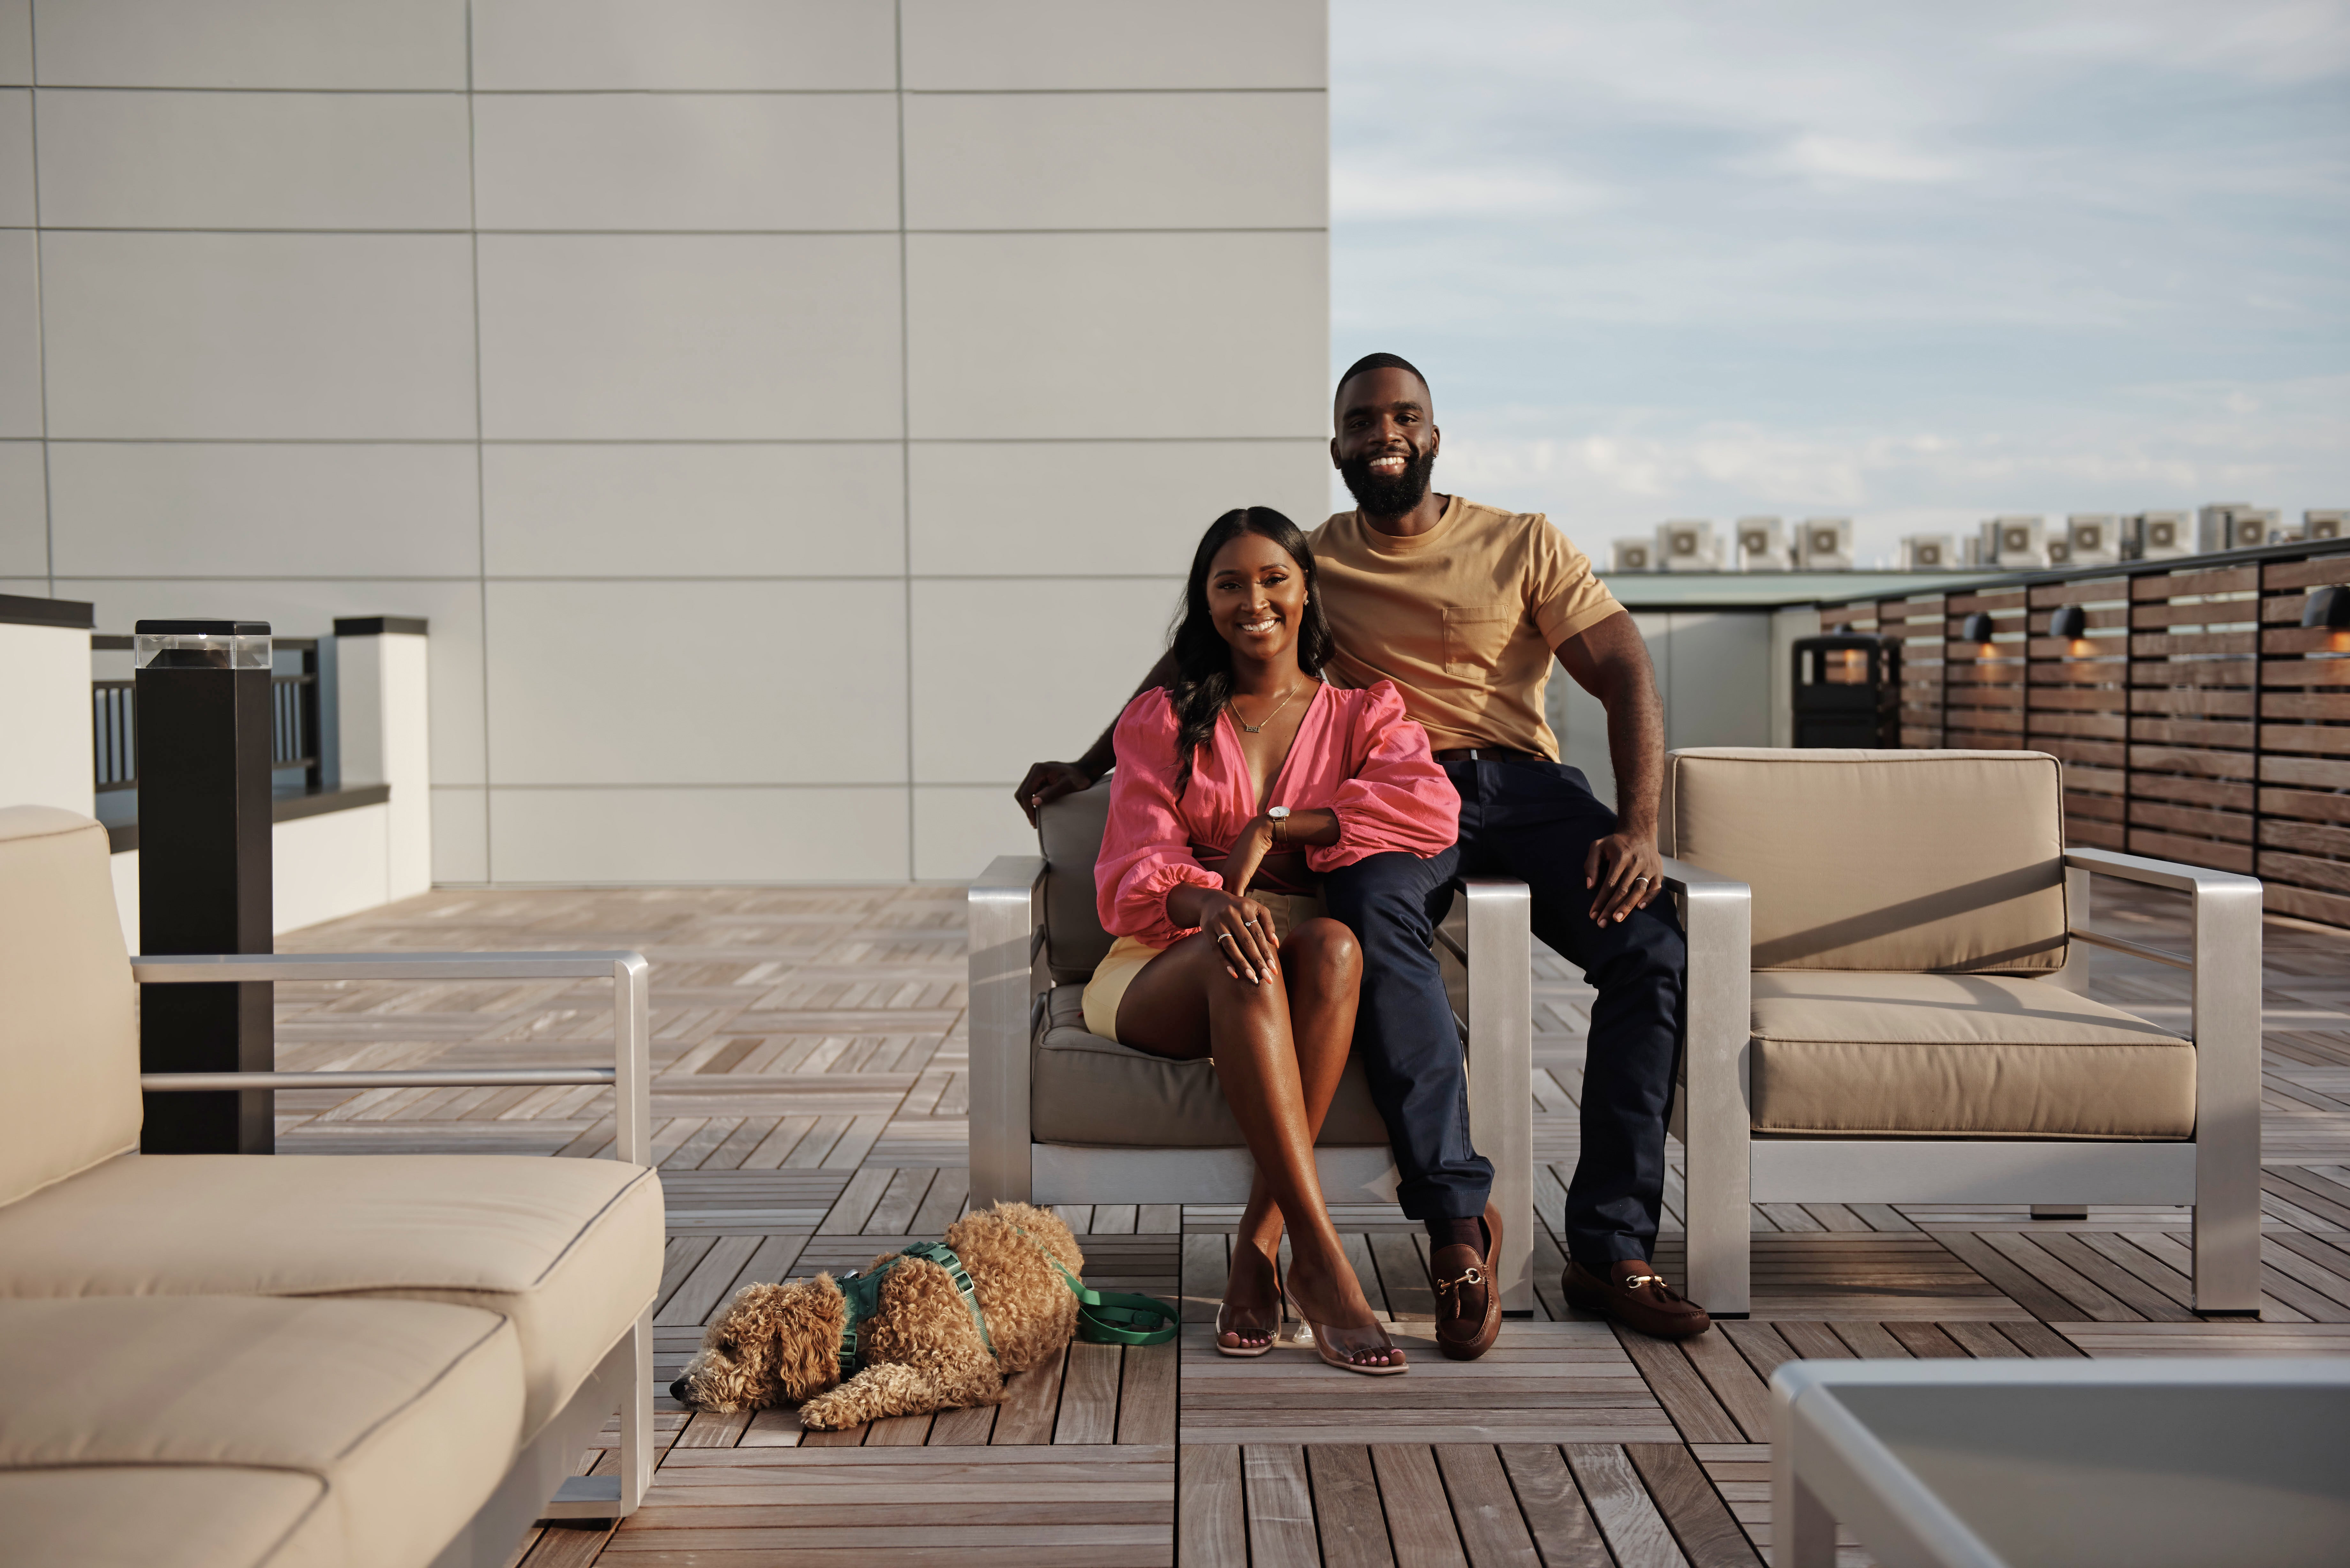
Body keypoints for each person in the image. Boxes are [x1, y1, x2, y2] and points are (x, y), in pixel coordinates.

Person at [1021, 354, 1711, 1343]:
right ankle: (1455, 1231)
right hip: (1380, 793)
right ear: (1337, 446)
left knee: (1649, 948)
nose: (1383, 433)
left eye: (1404, 417)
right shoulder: (1313, 556)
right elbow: (1196, 657)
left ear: (1434, 434)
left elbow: (1624, 671)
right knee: (1377, 934)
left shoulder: (1523, 541)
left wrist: (1638, 828)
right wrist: (1090, 765)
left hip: (1518, 781)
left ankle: (1612, 1250)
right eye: (1360, 422)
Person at [1085, 506, 1459, 1374]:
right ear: (1204, 604)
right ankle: (1323, 1261)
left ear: (1306, 591)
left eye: (1272, 578)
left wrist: (1281, 828)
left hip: (1295, 950)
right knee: (1241, 951)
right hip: (1166, 953)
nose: (1252, 600)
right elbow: (1136, 865)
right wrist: (1214, 904)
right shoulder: (1161, 719)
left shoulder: (1365, 714)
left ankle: (1257, 1250)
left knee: (1331, 946)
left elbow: (1431, 807)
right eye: (1228, 584)